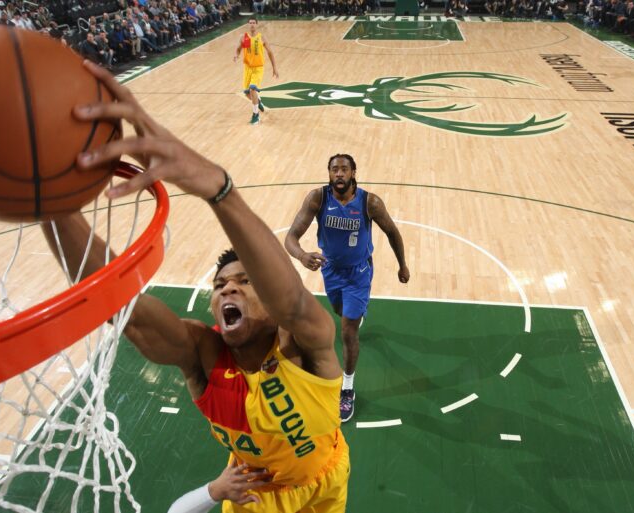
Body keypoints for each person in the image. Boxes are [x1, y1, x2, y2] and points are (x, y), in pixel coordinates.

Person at [48, 60, 350, 513]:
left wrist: (219, 191)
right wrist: (50, 205)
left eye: (245, 282)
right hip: (252, 494)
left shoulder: (303, 343)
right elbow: (124, 308)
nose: (228, 289)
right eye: (220, 285)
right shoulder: (203, 355)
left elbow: (290, 301)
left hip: (324, 481)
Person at [284, 154, 410, 423]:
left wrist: (402, 265)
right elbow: (291, 237)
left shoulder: (370, 202)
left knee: (348, 331)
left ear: (353, 172)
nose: (339, 174)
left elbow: (392, 232)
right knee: (340, 312)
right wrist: (302, 255)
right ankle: (353, 315)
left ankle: (348, 387)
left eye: (344, 169)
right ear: (329, 173)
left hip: (358, 274)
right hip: (331, 271)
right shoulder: (317, 198)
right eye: (334, 169)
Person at [233, 17, 278, 125]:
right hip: (247, 68)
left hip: (258, 68)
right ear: (248, 25)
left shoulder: (261, 37)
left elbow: (270, 53)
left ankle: (256, 115)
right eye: (250, 23)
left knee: (253, 89)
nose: (252, 24)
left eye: (254, 23)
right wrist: (236, 55)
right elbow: (238, 49)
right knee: (247, 93)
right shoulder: (243, 37)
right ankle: (258, 101)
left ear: (257, 24)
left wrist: (274, 68)